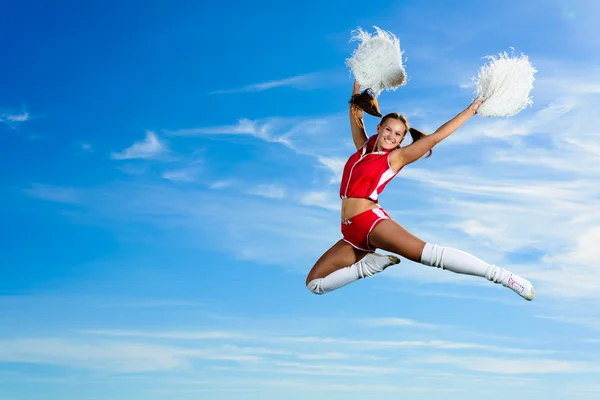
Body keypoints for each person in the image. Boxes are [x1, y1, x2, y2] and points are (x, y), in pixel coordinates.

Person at [305, 80, 535, 301]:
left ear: (402, 140)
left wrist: (471, 109)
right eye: (388, 130)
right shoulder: (363, 148)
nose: (391, 136)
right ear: (379, 128)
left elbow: (435, 137)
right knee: (315, 283)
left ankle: (504, 277)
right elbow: (355, 112)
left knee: (430, 255)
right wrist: (358, 80)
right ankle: (368, 266)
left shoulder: (395, 158)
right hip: (350, 232)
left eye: (398, 135)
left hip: (369, 221)